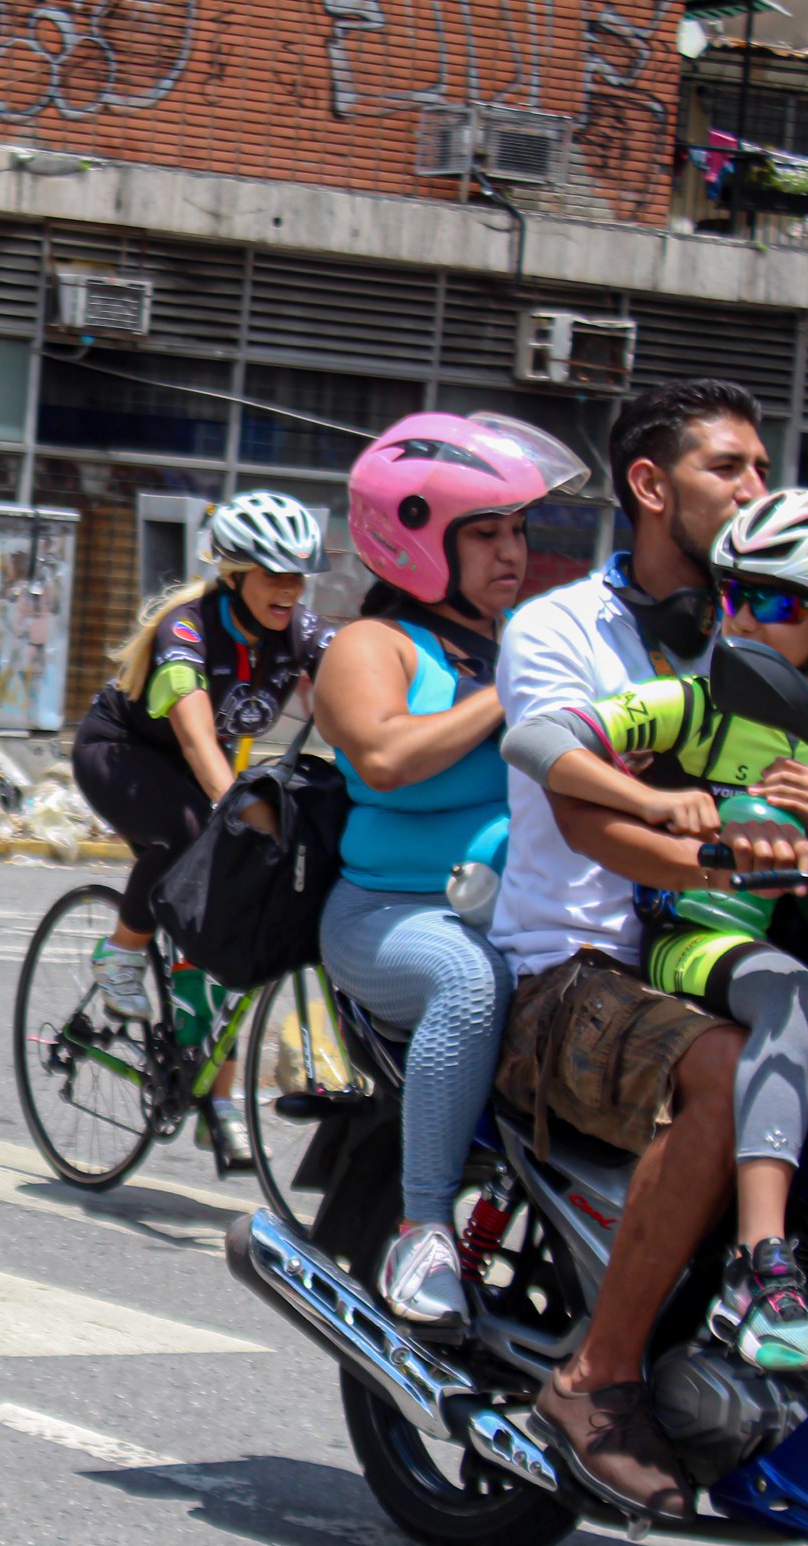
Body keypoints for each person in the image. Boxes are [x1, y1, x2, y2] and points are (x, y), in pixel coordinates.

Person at [503, 489, 808, 1374]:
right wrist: (655, 800)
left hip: (798, 939)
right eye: (735, 595)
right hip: (698, 938)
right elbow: (535, 738)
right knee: (790, 995)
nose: (745, 620)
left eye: (779, 603)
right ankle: (763, 1269)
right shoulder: (691, 703)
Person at [487, 379, 773, 1522]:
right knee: (731, 1072)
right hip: (575, 971)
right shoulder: (559, 629)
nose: (757, 489)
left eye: (761, 467)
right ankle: (593, 1377)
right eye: (729, 470)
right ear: (650, 488)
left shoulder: (763, 629)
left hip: (715, 952)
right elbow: (574, 807)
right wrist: (710, 835)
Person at [312, 412, 585, 1327]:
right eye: (486, 533)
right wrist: (510, 694)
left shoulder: (526, 640)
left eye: (517, 531)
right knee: (470, 986)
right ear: (420, 537)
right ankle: (423, 1224)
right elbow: (385, 756)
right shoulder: (373, 647)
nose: (513, 552)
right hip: (397, 916)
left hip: (526, 905)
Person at [69, 489, 328, 1157]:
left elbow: (353, 693)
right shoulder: (189, 627)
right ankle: (119, 955)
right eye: (275, 575)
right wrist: (232, 808)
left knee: (222, 925)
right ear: (235, 575)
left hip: (190, 769)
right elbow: (194, 739)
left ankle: (216, 1096)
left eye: (298, 576)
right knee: (192, 835)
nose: (290, 590)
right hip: (120, 754)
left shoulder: (297, 630)